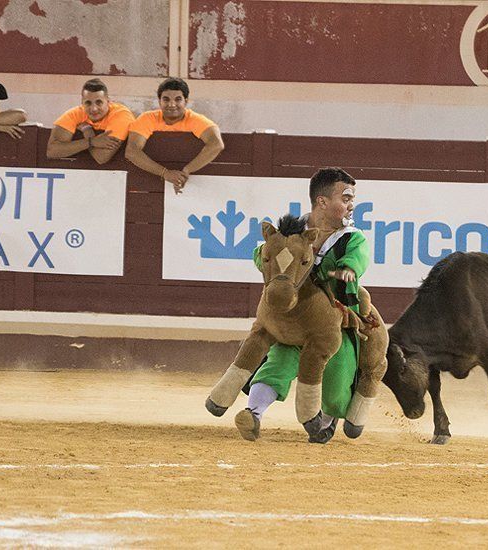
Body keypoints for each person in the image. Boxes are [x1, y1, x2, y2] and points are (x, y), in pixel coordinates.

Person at [235, 167, 370, 444]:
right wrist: (270, 263)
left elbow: (359, 258)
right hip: (293, 318)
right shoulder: (291, 232)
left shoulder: (351, 238)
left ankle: (326, 420)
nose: (351, 205)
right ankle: (254, 414)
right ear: (322, 202)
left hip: (333, 322)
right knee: (278, 363)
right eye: (345, 198)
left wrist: (348, 268)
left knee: (337, 372)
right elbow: (262, 255)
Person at [125, 77, 224, 194]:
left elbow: (216, 144)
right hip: (146, 187)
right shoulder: (148, 118)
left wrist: (187, 171)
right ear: (159, 101)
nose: (172, 104)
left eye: (178, 99)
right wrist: (164, 173)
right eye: (166, 99)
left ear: (186, 101)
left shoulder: (195, 119)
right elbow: (132, 151)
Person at [46, 78, 135, 164]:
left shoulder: (121, 115)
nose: (94, 109)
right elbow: (52, 151)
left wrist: (87, 130)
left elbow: (101, 157)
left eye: (99, 102)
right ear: (82, 102)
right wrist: (91, 141)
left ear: (108, 101)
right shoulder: (75, 114)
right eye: (88, 103)